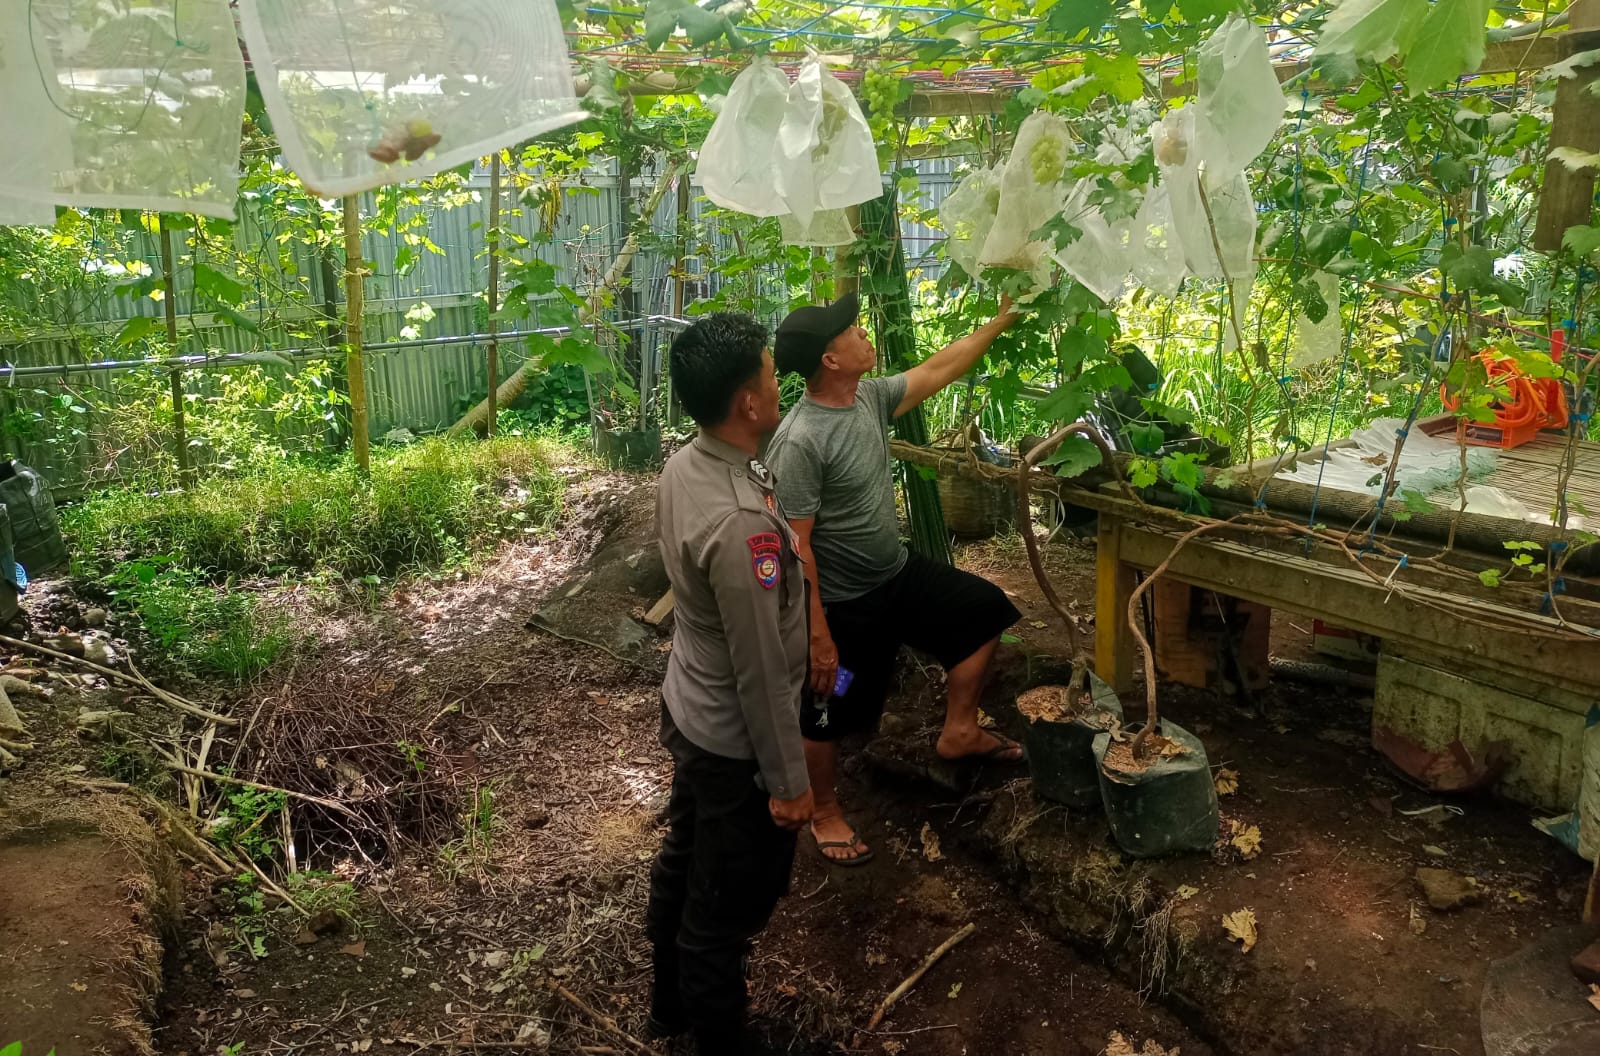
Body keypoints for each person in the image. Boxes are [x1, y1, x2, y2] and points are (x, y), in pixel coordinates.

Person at [764, 291, 1021, 866]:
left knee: (986, 610)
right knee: (825, 707)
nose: (863, 334)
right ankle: (824, 811)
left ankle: (959, 730)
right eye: (850, 331)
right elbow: (795, 547)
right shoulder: (800, 441)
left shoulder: (869, 397)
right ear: (830, 360)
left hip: (896, 574)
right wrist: (817, 633)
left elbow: (939, 367)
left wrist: (1001, 319)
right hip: (843, 606)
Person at [645, 313, 815, 1055]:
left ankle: (668, 1007)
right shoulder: (744, 528)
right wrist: (789, 783)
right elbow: (761, 670)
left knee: (689, 857)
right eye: (772, 375)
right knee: (725, 905)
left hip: (691, 703)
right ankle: (716, 1036)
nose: (780, 385)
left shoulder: (689, 463)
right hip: (733, 743)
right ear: (748, 401)